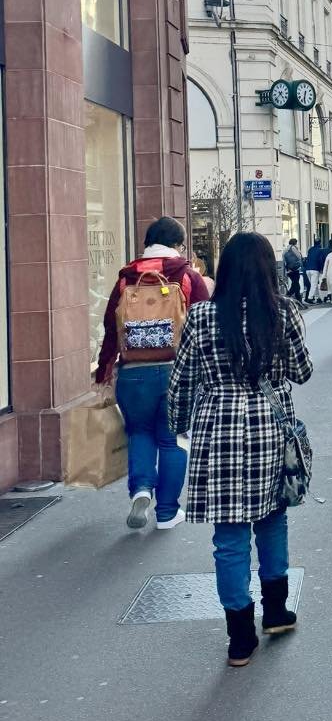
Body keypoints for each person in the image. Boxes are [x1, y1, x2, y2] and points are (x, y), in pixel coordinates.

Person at [167, 231, 313, 668]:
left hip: (218, 431)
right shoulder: (281, 312)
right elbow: (302, 372)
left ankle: (239, 638)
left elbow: (183, 380)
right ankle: (277, 612)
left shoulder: (202, 316)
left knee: (229, 537)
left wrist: (177, 426)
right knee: (272, 520)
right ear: (270, 271)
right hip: (269, 428)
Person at [95, 216, 210, 531]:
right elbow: (206, 325)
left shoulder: (125, 280)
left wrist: (104, 372)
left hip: (132, 373)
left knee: (138, 433)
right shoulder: (186, 276)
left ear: (146, 244)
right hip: (177, 371)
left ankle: (141, 488)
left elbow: (109, 328)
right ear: (177, 245)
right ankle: (167, 512)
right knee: (172, 440)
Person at [320, 238, 332, 305]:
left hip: (329, 274)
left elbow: (325, 266)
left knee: (331, 289)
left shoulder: (329, 255)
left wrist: (324, 275)